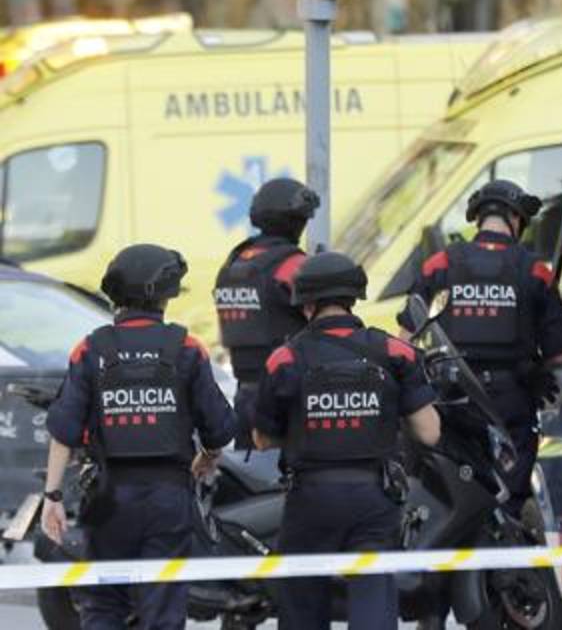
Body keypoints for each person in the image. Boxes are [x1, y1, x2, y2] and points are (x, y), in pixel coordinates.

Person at [41, 244, 236, 630]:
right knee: (163, 609)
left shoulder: (90, 348)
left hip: (108, 496)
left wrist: (53, 496)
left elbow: (63, 429)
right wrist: (207, 456)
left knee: (103, 606)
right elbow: (220, 427)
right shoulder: (186, 347)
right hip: (168, 498)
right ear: (163, 295)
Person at [252, 251, 441, 630]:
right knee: (373, 597)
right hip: (374, 498)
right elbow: (430, 432)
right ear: (354, 297)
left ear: (305, 303)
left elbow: (261, 440)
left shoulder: (285, 359)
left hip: (310, 500)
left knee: (302, 604)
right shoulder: (394, 352)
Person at [397, 179, 562, 517]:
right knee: (509, 496)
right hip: (511, 400)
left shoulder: (440, 264)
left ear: (478, 218)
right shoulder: (534, 269)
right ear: (516, 218)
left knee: (455, 488)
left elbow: (405, 336)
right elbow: (558, 354)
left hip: (452, 400)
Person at [214, 177, 319, 449]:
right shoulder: (293, 265)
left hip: (246, 394)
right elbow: (329, 321)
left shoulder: (235, 262)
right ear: (297, 219)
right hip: (289, 395)